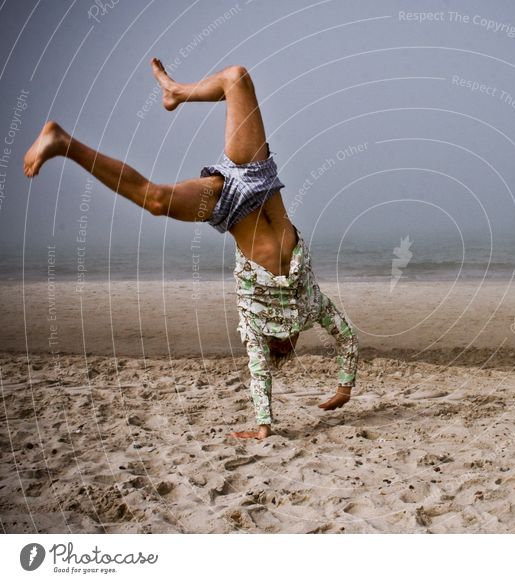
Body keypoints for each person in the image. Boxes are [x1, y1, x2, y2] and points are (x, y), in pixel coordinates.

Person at [23, 59, 359, 440]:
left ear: (283, 343)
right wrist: (344, 388)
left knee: (155, 200)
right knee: (236, 77)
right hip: (257, 175)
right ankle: (177, 91)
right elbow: (346, 336)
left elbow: (259, 371)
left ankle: (64, 143)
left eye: (291, 344)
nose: (297, 338)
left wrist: (264, 428)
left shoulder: (255, 321)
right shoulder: (310, 303)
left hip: (227, 203)